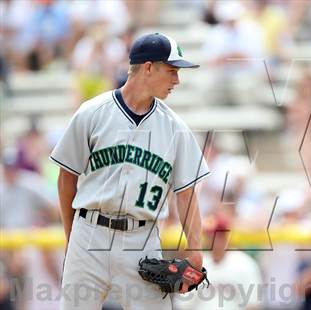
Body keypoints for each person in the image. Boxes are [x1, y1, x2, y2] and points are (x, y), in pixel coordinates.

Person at [49, 33, 210, 309]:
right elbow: (66, 178)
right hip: (88, 232)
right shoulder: (92, 113)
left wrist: (195, 250)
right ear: (147, 68)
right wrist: (71, 236)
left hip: (141, 240)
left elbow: (186, 194)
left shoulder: (175, 128)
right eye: (172, 70)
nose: (177, 80)